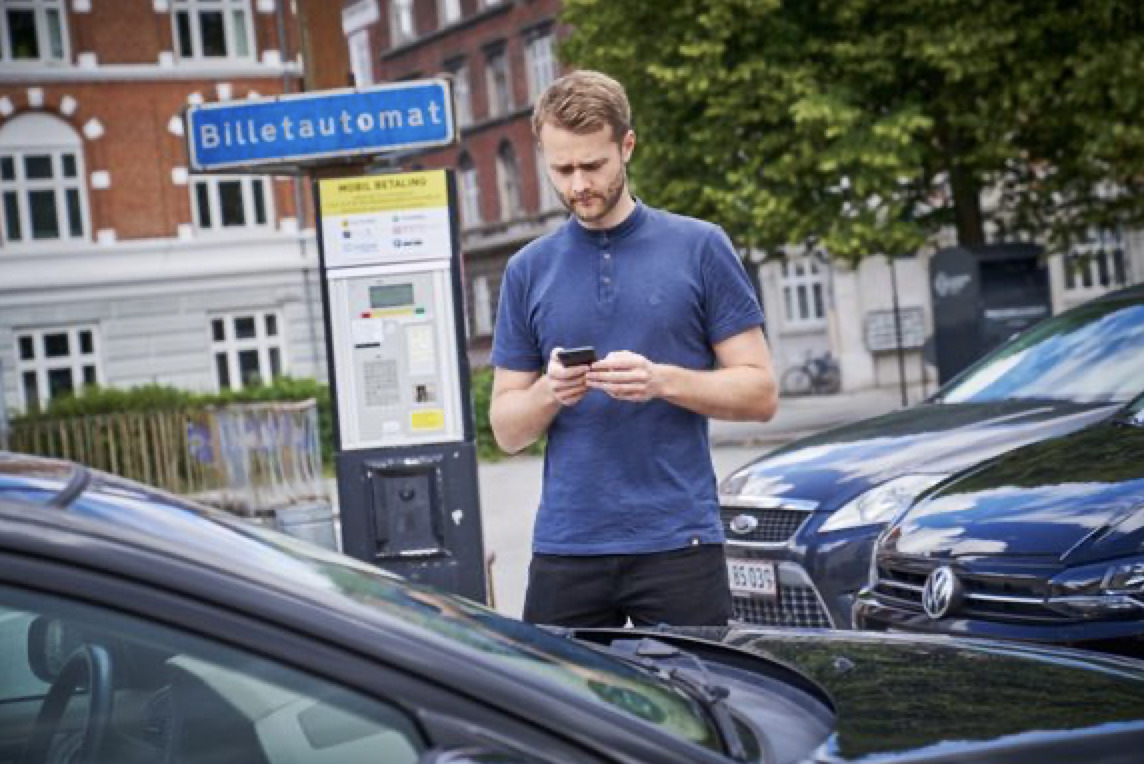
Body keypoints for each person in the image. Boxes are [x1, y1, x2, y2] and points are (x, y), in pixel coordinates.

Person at [489, 70, 777, 628]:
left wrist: (662, 380)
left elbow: (760, 392)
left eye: (592, 166)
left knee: (694, 711)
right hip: (568, 545)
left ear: (627, 146)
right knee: (558, 715)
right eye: (561, 169)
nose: (577, 186)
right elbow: (506, 430)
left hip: (679, 544)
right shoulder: (527, 270)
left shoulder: (700, 247)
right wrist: (551, 391)